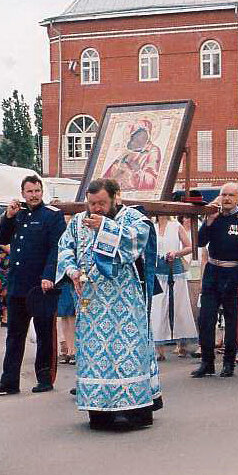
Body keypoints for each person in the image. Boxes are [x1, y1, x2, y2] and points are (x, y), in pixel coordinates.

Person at [56, 178, 161, 429]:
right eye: (92, 203)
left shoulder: (133, 219)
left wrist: (105, 228)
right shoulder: (79, 222)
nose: (96, 208)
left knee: (125, 353)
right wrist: (71, 271)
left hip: (124, 302)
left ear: (116, 197)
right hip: (91, 303)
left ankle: (132, 411)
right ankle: (99, 411)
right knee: (95, 355)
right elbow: (64, 248)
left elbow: (134, 245)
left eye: (102, 203)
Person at [0, 176, 66, 395]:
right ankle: (9, 381)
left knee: (44, 334)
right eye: (30, 191)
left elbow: (56, 248)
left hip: (41, 285)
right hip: (17, 284)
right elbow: (1, 236)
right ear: (22, 193)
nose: (34, 195)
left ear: (42, 192)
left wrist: (49, 275)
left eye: (37, 191)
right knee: (14, 335)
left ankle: (44, 377)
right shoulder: (18, 215)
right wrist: (7, 216)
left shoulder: (52, 215)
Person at [192, 183, 238, 378]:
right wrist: (208, 221)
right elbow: (200, 242)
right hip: (213, 271)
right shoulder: (214, 216)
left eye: (231, 195)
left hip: (234, 272)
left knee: (231, 320)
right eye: (224, 195)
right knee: (206, 318)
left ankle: (229, 362)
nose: (227, 198)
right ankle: (207, 362)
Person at [151, 214, 198, 358]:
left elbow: (190, 247)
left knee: (179, 304)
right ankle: (158, 348)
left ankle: (182, 343)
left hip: (175, 268)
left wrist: (176, 253)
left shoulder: (176, 226)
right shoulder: (151, 226)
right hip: (158, 269)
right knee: (157, 306)